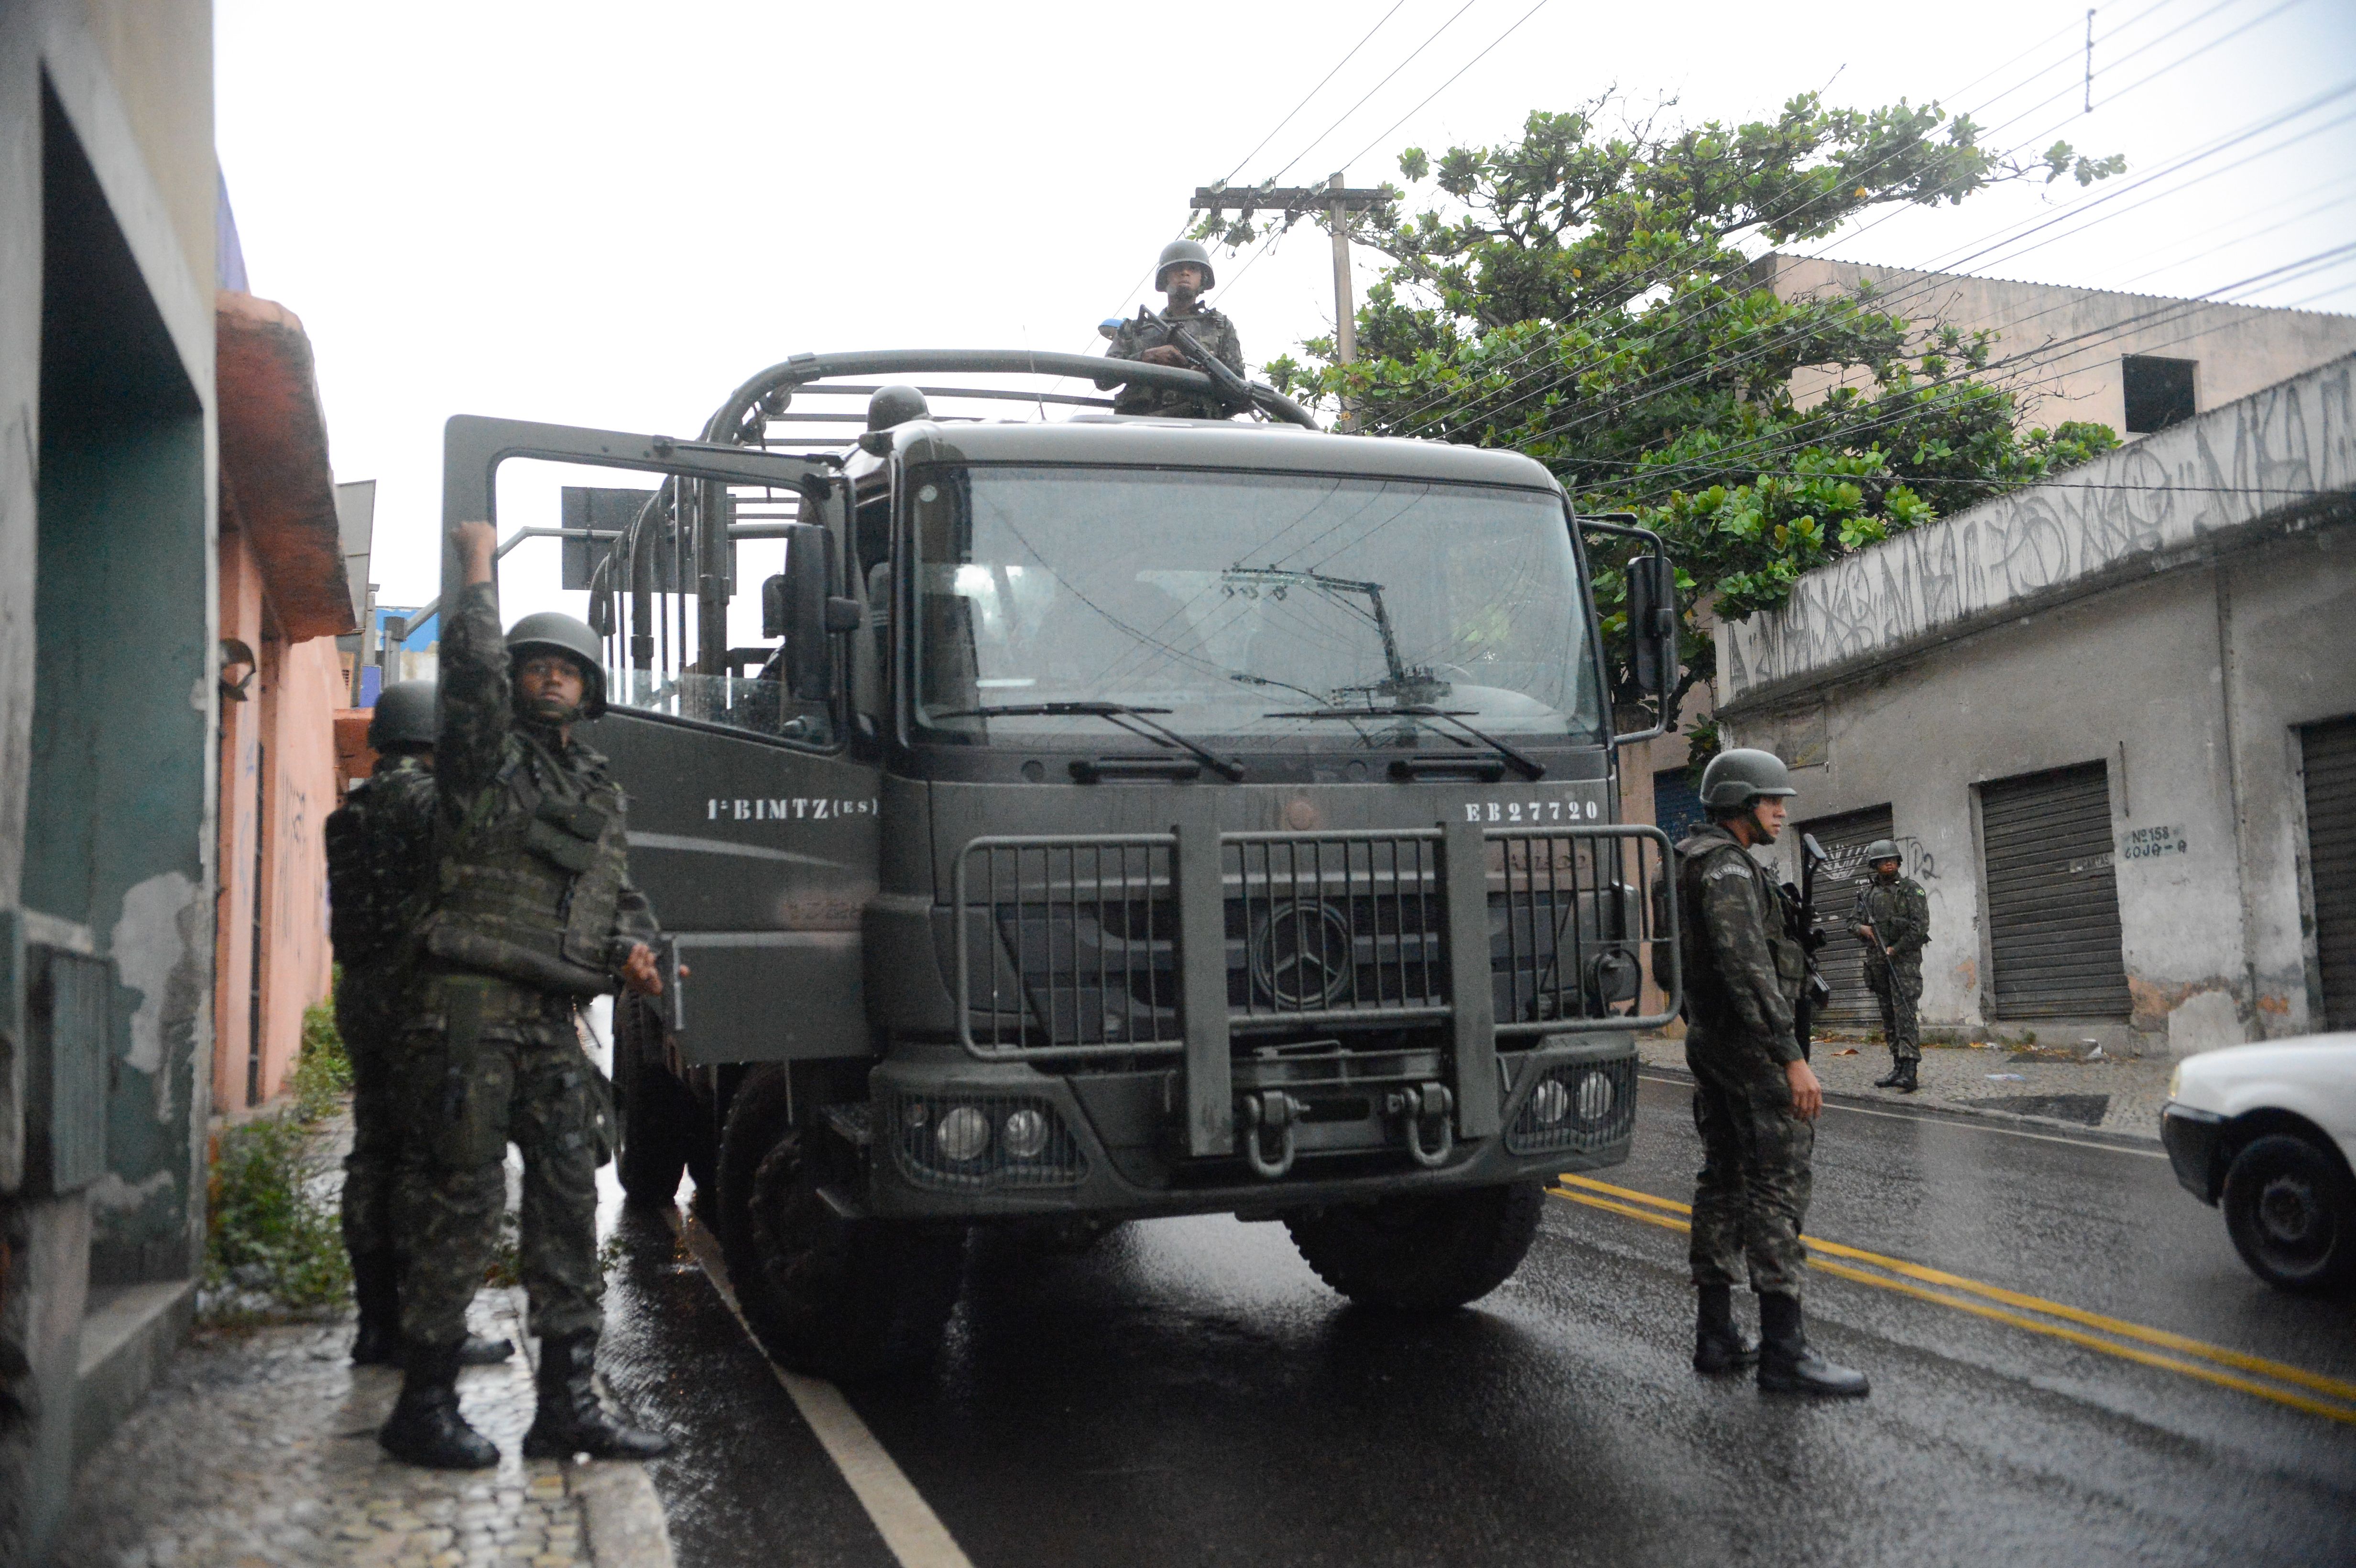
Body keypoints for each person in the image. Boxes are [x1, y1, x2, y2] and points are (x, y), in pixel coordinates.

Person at [378, 520, 674, 1470]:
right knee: (458, 1202)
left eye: (566, 669)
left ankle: (566, 1407)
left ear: (589, 690)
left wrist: (631, 946)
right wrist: (474, 573)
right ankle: (423, 1403)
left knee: (565, 1198)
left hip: (550, 1020)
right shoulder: (481, 758)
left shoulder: (595, 780)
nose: (550, 677)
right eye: (535, 665)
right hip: (467, 1009)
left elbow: (613, 892)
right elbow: (465, 678)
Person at [323, 680, 512, 1371]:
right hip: (413, 998)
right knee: (428, 1161)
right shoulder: (422, 803)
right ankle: (428, 1327)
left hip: (360, 994)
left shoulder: (355, 809)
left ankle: (375, 1326)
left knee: (371, 1153)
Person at [1673, 748, 1870, 1398]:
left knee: (1724, 1179)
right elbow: (1747, 969)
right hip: (1752, 1048)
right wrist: (1792, 1057)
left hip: (1714, 1041)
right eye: (1770, 800)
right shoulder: (1726, 871)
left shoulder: (1690, 860)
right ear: (1739, 803)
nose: (1781, 810)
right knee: (1776, 1187)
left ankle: (1717, 1334)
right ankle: (1786, 1351)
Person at [1105, 238, 1246, 418]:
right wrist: (1148, 357)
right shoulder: (1136, 329)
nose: (1185, 273)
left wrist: (1201, 373)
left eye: (1193, 269)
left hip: (1200, 433)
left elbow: (1238, 389)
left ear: (1203, 279)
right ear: (1165, 278)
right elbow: (1103, 379)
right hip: (1140, 429)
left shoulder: (1220, 327)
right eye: (1177, 269)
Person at [1852, 838, 1931, 1094]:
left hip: (1903, 963)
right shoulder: (1867, 895)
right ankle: (1897, 1066)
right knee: (1888, 1016)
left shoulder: (1911, 890)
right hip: (1878, 962)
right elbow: (1852, 922)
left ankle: (1910, 1070)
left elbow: (1920, 928)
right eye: (1883, 860)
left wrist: (1895, 949)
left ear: (1898, 863)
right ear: (1874, 864)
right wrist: (1862, 929)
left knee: (1905, 1014)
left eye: (1893, 860)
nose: (1889, 863)